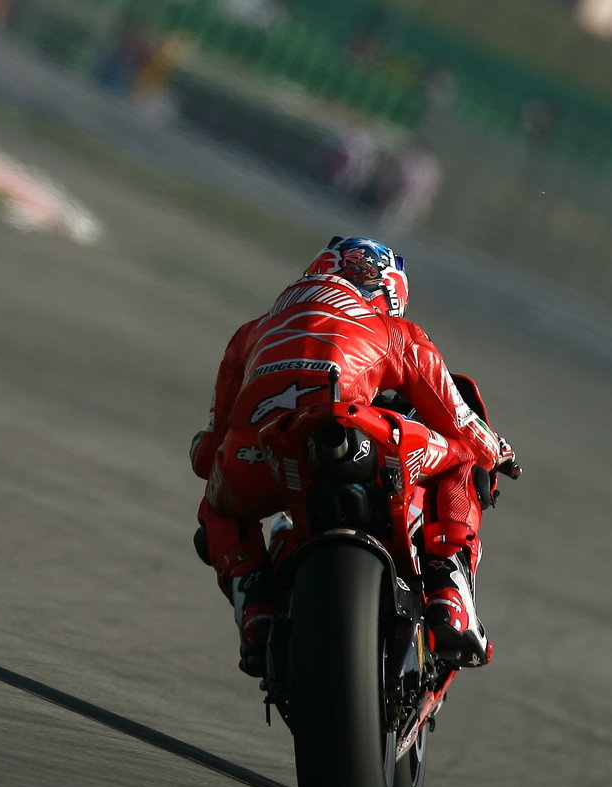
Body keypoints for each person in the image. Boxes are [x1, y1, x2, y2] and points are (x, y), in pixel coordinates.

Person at [190, 236, 517, 675]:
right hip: (354, 427)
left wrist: (208, 449)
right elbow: (461, 423)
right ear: (390, 293)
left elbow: (206, 454)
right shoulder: (394, 331)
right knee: (461, 457)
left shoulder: (252, 332)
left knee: (218, 510)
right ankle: (450, 593)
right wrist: (499, 453)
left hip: (262, 449)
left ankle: (254, 606)